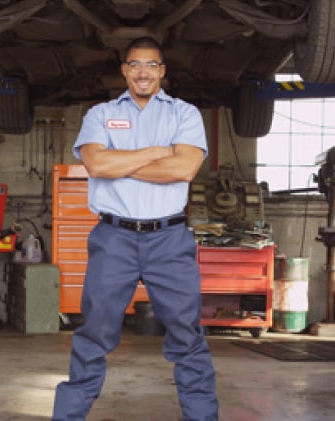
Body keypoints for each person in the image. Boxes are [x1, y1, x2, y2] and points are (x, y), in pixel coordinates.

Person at [52, 36, 218, 421]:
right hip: (115, 238)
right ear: (125, 70)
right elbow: (96, 166)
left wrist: (120, 161)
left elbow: (183, 169)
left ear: (162, 72)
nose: (144, 72)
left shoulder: (185, 114)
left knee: (187, 334)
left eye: (152, 65)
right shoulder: (99, 114)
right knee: (94, 333)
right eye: (136, 65)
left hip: (169, 240)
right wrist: (159, 151)